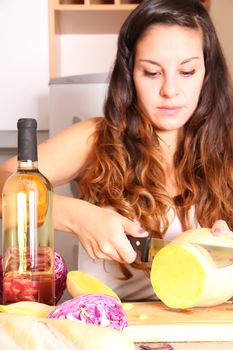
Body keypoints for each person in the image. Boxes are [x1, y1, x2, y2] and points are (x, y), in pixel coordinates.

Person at [0, 0, 233, 300]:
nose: (170, 90)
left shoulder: (226, 148)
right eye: (151, 73)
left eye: (187, 72)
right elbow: (5, 180)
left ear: (207, 73)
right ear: (130, 74)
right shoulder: (98, 138)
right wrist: (76, 215)